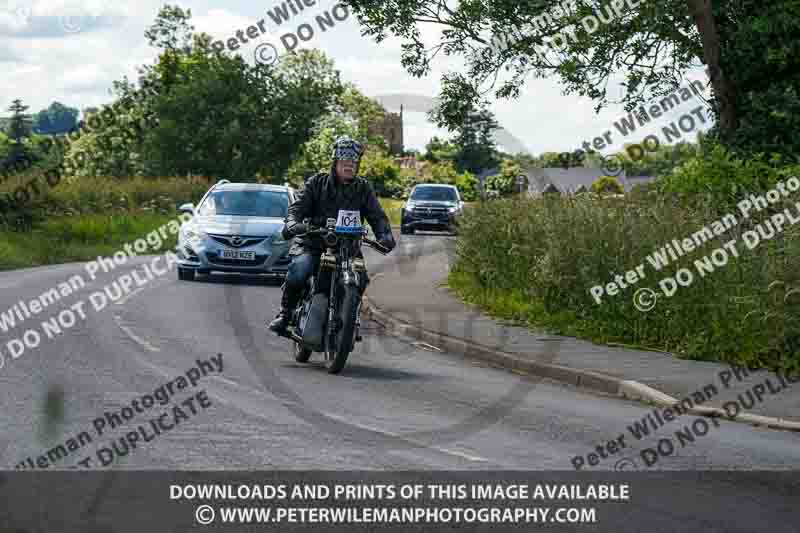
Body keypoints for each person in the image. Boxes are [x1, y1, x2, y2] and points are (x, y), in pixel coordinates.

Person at [268, 136, 396, 334]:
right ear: (335, 162)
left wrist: (385, 235)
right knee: (300, 270)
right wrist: (293, 223)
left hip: (348, 249)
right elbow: (297, 208)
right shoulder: (317, 183)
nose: (349, 166)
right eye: (345, 161)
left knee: (360, 279)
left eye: (353, 162)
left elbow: (377, 216)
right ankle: (285, 314)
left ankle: (347, 320)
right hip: (314, 243)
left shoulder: (363, 188)